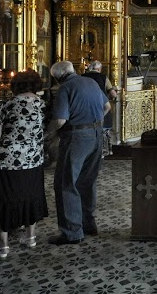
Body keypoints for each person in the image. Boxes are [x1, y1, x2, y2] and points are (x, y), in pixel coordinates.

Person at [0, 70, 49, 259]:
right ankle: (31, 237)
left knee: (3, 201)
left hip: (4, 162)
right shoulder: (43, 105)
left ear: (15, 86)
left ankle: (3, 248)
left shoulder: (8, 105)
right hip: (33, 159)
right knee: (30, 196)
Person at [47, 60, 110, 245]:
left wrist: (47, 134)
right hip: (97, 134)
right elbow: (107, 107)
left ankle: (72, 232)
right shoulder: (91, 82)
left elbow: (60, 121)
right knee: (87, 181)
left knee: (66, 183)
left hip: (76, 138)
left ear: (58, 77)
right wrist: (93, 121)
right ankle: (88, 224)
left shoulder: (65, 89)